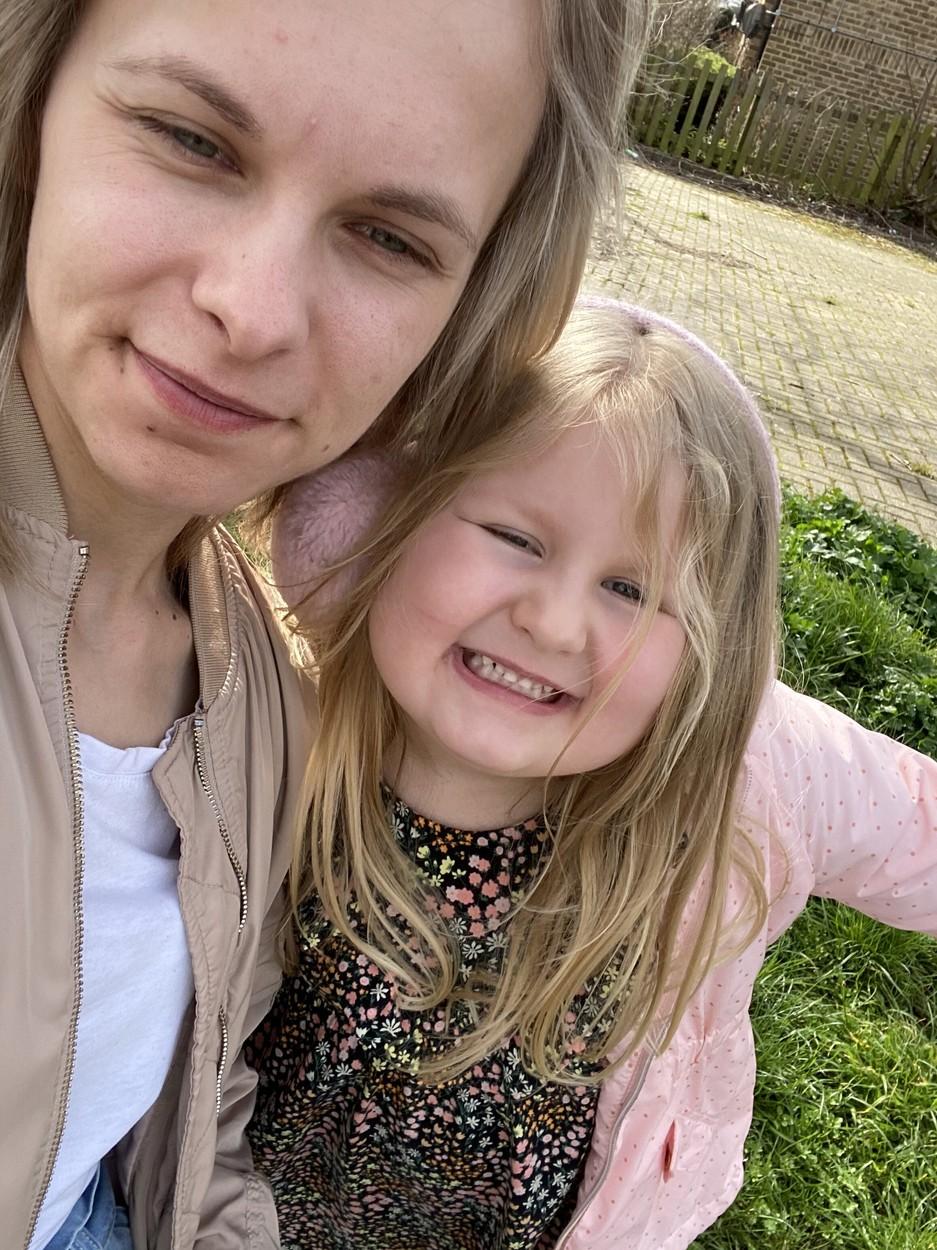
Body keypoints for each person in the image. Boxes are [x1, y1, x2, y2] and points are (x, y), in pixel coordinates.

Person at [0, 2, 653, 1247]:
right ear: (33, 97)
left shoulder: (260, 700)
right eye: (192, 139)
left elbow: (190, 1122)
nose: (253, 309)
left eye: (389, 237)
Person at [246, 299, 937, 1250]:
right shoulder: (259, 721)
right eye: (515, 538)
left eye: (630, 590)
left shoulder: (748, 774)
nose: (555, 623)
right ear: (386, 518)